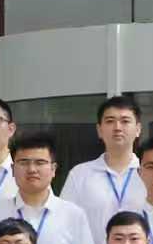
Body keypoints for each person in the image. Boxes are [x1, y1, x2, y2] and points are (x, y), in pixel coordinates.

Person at [62, 94, 148, 232]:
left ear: (138, 129)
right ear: (99, 130)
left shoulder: (150, 173)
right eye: (110, 121)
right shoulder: (80, 174)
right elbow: (65, 223)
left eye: (125, 121)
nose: (117, 127)